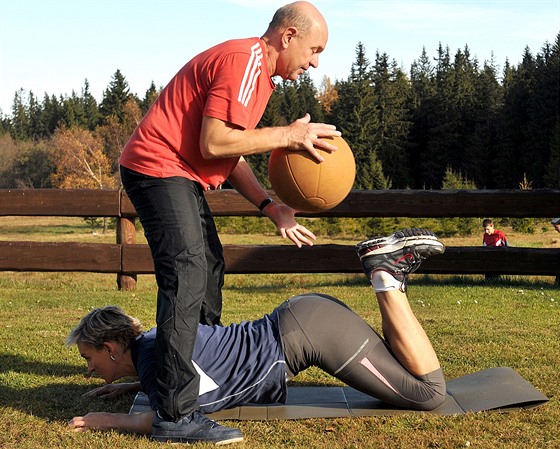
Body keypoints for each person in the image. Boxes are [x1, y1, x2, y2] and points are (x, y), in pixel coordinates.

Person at [118, 1, 340, 443]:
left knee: (209, 267)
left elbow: (231, 151)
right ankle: (175, 413)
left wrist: (269, 206)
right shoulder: (245, 60)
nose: (315, 63)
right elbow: (214, 140)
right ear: (288, 36)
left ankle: (199, 371)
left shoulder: (257, 76)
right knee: (186, 273)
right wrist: (287, 134)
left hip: (178, 173)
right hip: (157, 167)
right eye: (314, 50)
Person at [67, 228, 447, 443]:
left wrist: (106, 419)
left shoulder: (155, 359)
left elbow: (170, 417)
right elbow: (179, 382)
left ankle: (386, 274)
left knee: (428, 394)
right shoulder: (153, 345)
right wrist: (130, 387)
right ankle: (388, 274)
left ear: (112, 347)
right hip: (304, 319)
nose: (89, 368)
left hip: (309, 334)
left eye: (89, 357)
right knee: (405, 370)